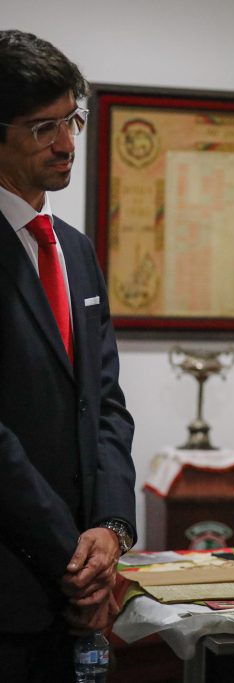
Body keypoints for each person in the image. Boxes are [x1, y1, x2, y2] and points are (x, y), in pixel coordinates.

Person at [0, 30, 136, 682]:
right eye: (43, 127)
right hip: (13, 590)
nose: (67, 143)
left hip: (75, 597)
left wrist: (111, 528)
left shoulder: (75, 250)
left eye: (72, 119)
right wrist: (73, 557)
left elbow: (105, 403)